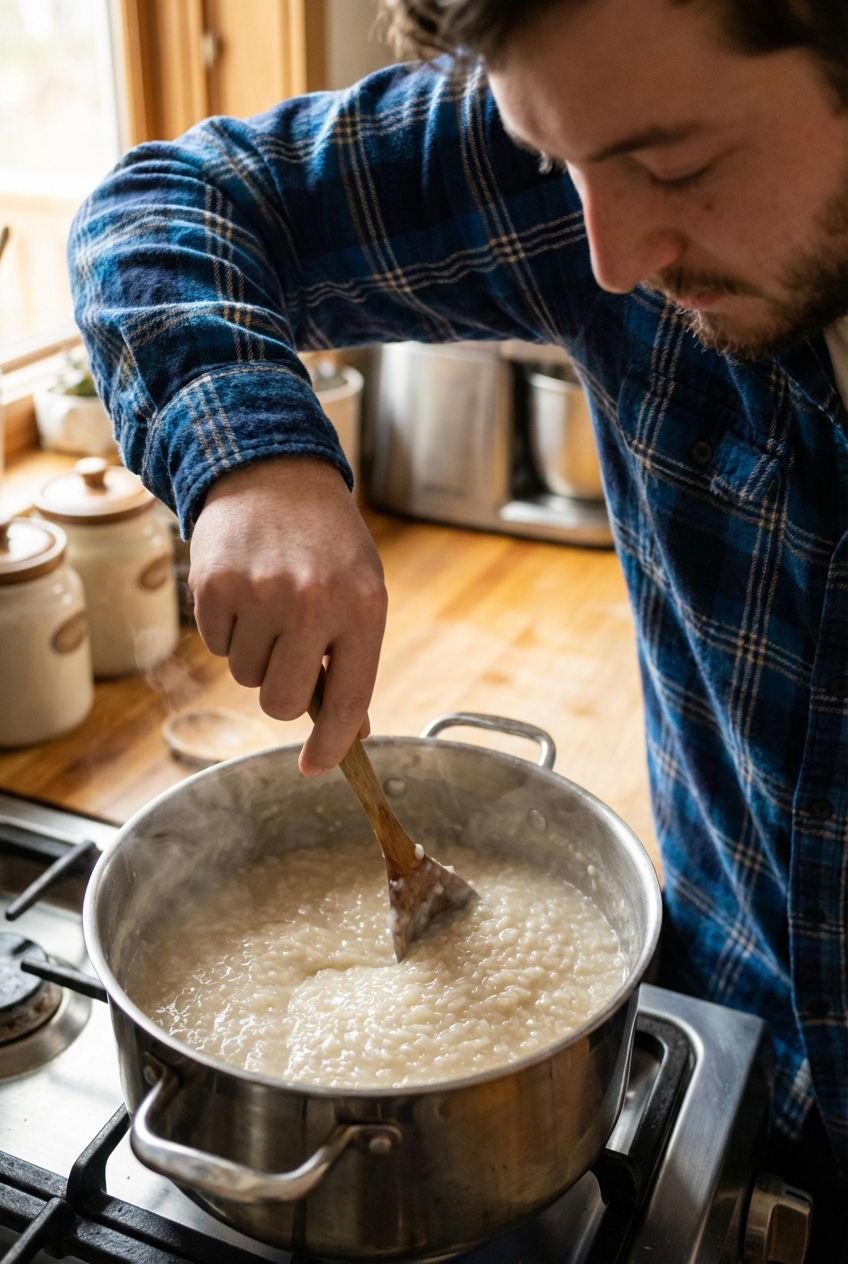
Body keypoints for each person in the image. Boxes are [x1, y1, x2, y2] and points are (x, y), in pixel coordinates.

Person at [69, 0, 846, 1255]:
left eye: (674, 165)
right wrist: (251, 459)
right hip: (726, 1047)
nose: (604, 253)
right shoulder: (603, 124)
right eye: (553, 161)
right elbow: (170, 202)